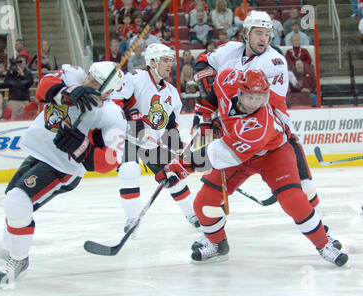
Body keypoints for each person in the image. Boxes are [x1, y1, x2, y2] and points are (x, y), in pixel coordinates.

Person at [155, 68, 348, 267]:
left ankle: (324, 244)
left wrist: (178, 168)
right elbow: (212, 97)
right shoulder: (227, 78)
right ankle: (217, 244)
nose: (255, 103)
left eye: (260, 98)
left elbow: (215, 154)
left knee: (294, 200)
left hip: (274, 154)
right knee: (203, 204)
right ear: (239, 91)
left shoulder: (258, 126)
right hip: (237, 154)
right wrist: (203, 117)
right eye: (250, 97)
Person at [0, 62, 126, 288]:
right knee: (13, 200)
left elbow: (111, 160)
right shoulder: (73, 76)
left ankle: (19, 260)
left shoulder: (112, 115)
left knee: (18, 199)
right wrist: (68, 92)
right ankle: (10, 247)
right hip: (38, 152)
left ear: (110, 92)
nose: (90, 84)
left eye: (97, 84)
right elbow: (43, 87)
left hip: (61, 168)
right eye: (90, 79)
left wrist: (83, 148)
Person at [193, 10, 324, 222]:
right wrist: (207, 82)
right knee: (217, 185)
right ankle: (215, 230)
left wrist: (216, 101)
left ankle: (317, 220)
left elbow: (260, 104)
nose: (263, 38)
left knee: (303, 185)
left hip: (273, 135)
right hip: (235, 132)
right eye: (258, 33)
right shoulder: (230, 50)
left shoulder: (275, 62)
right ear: (246, 33)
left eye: (267, 34)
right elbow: (202, 61)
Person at [111, 43, 200, 232]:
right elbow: (117, 102)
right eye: (165, 60)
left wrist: (178, 147)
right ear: (152, 62)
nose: (170, 65)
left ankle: (193, 214)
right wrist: (135, 121)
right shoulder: (135, 78)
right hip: (128, 136)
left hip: (151, 143)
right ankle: (132, 220)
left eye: (171, 60)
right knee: (129, 170)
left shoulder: (172, 93)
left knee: (172, 174)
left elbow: (170, 127)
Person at [1, 54, 34, 119]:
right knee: (12, 119)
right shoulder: (12, 72)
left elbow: (29, 83)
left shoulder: (28, 73)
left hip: (25, 100)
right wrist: (9, 72)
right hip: (13, 100)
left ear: (26, 62)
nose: (21, 63)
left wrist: (22, 74)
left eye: (22, 61)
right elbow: (5, 84)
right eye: (19, 61)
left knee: (26, 119)